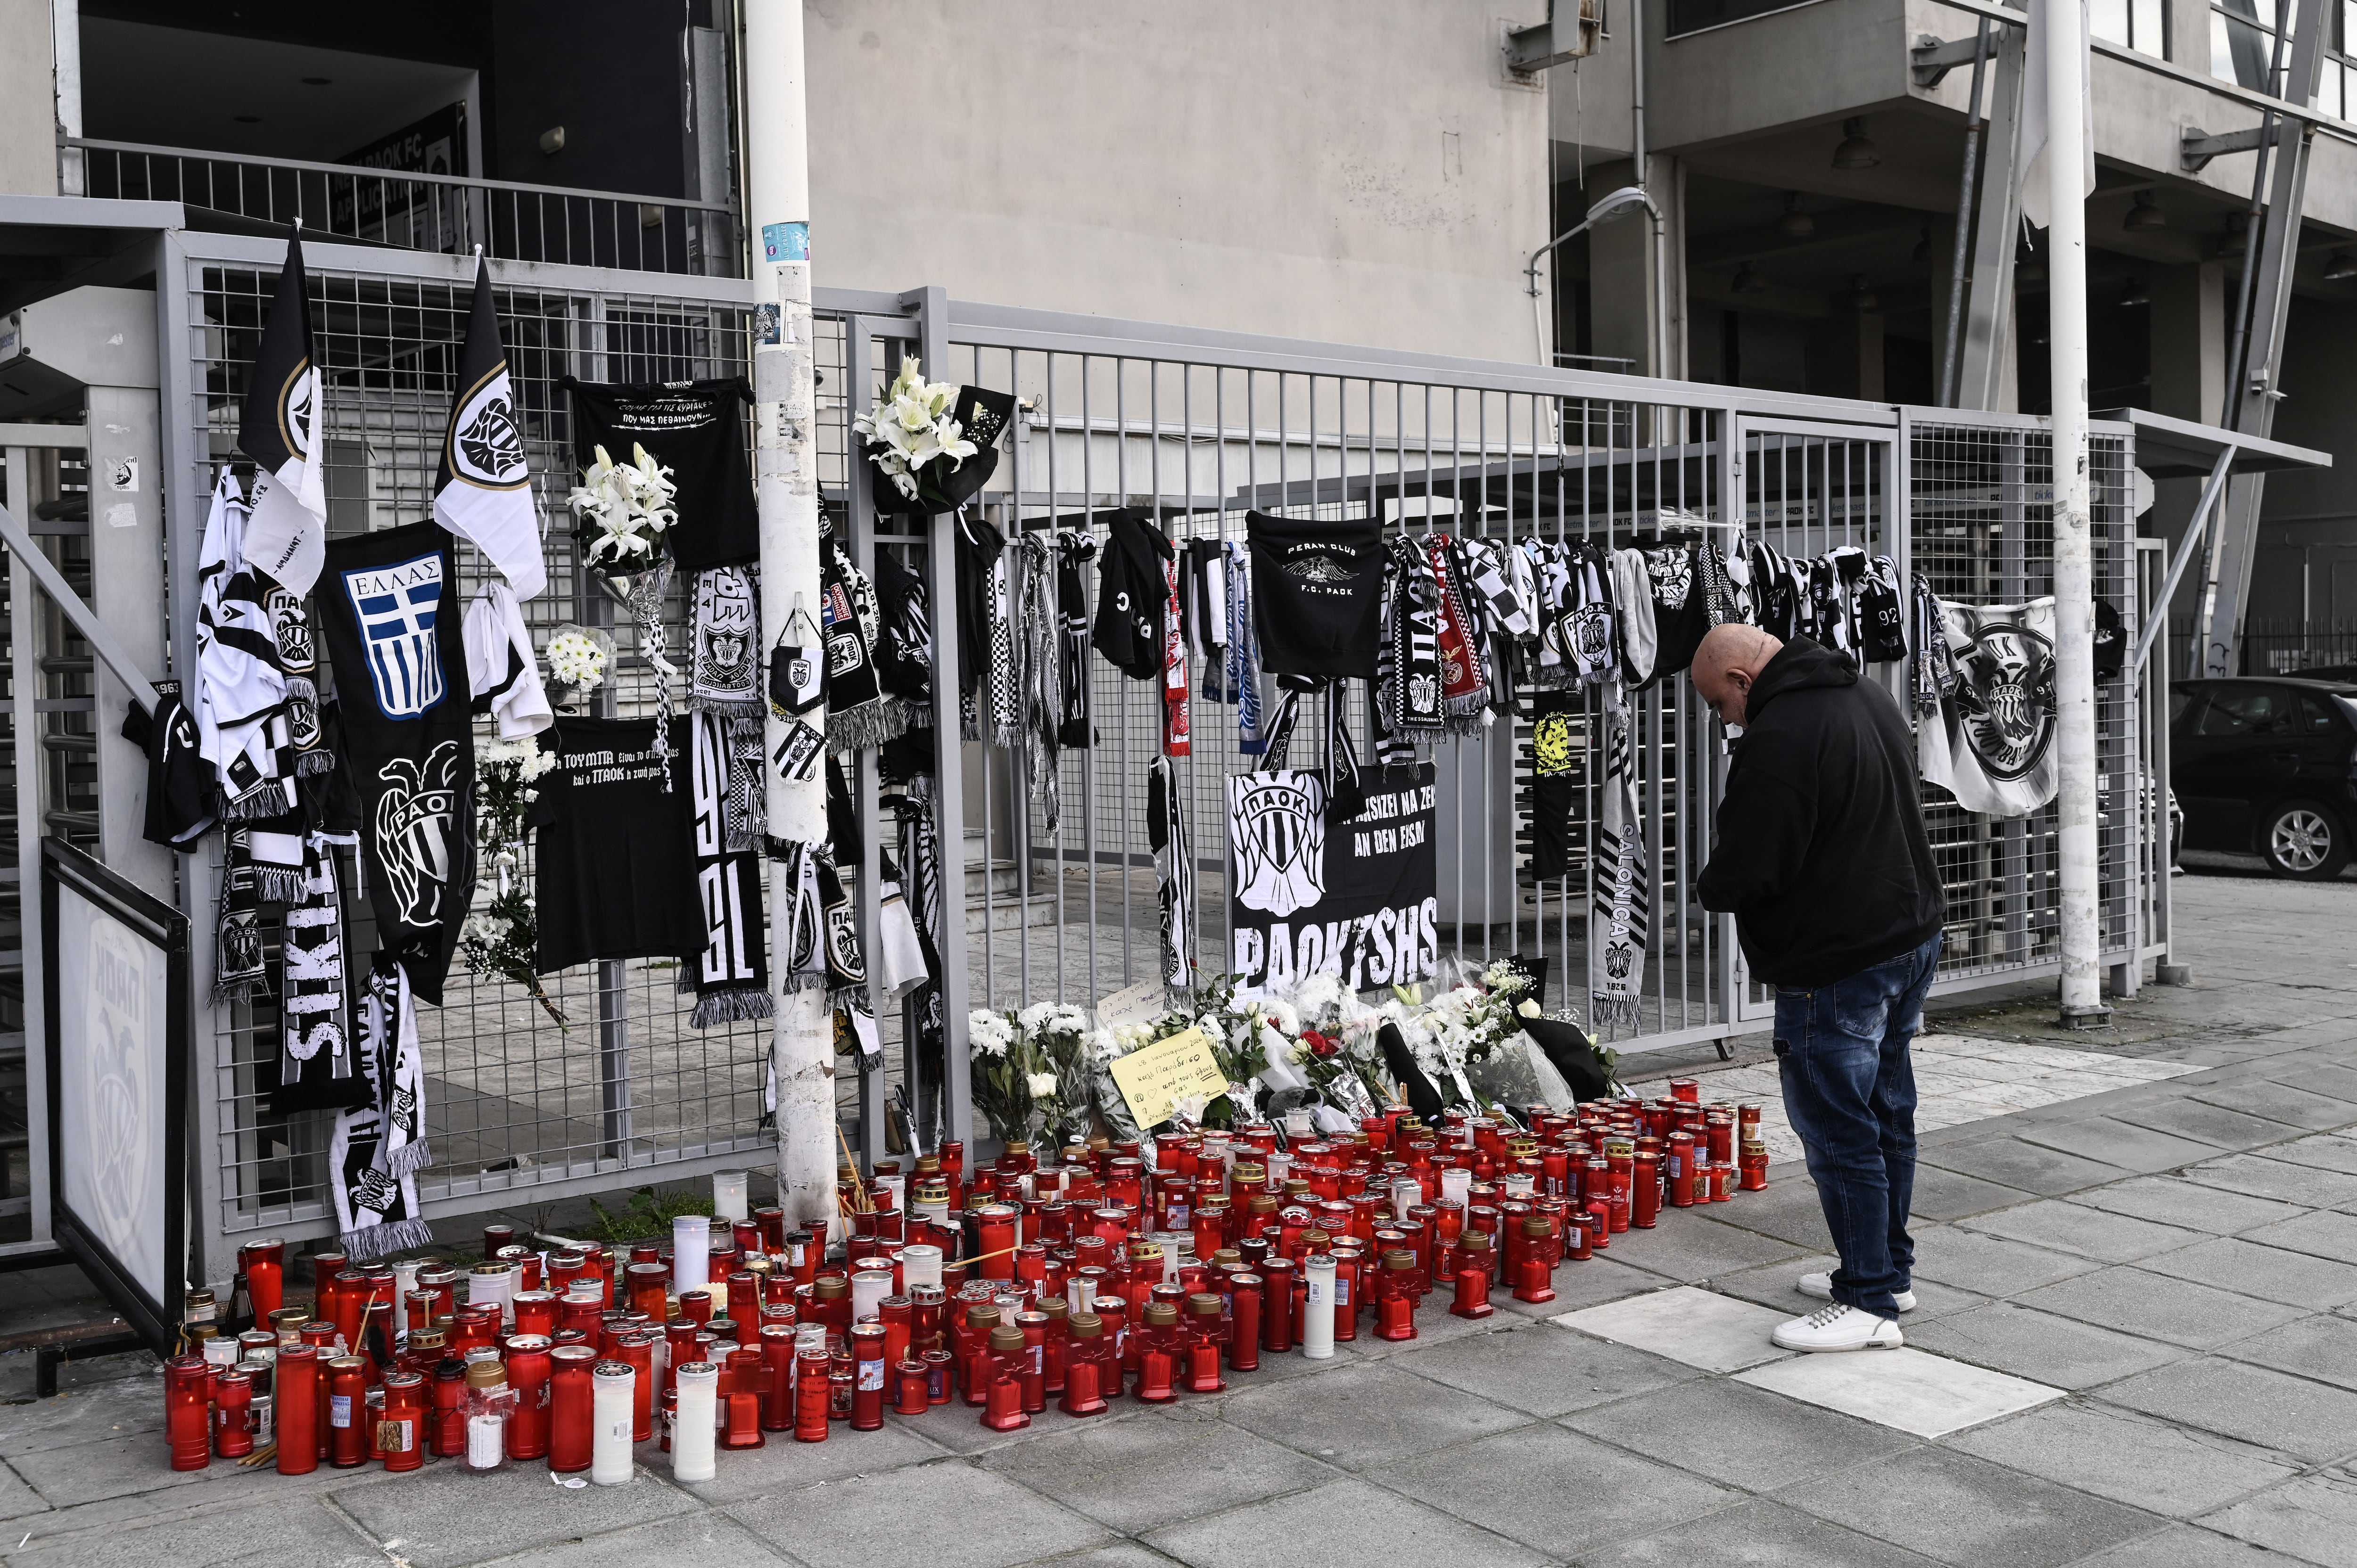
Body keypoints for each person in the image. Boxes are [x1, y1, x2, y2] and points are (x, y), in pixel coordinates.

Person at [1690, 624, 1945, 1353]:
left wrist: (1713, 885)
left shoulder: (1781, 735)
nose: (1727, 720)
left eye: (1720, 705)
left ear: (1741, 680)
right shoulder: (1864, 693)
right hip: (1908, 934)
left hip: (1836, 958)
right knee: (1887, 1112)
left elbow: (1751, 864)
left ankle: (1867, 1301)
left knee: (1838, 1129)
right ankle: (1887, 1272)